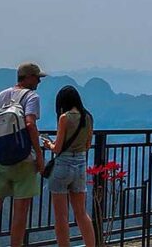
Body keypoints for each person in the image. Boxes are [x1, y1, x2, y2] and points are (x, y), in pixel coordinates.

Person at [0, 62, 47, 247]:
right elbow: (31, 124)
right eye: (37, 77)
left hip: (1, 160)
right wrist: (39, 156)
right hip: (25, 160)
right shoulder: (32, 97)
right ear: (28, 77)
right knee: (20, 211)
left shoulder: (0, 95)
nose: (39, 81)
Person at [42, 85, 96, 247]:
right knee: (81, 212)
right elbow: (87, 145)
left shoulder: (64, 118)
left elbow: (57, 148)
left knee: (61, 216)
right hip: (80, 165)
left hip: (62, 166)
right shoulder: (88, 117)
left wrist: (48, 145)